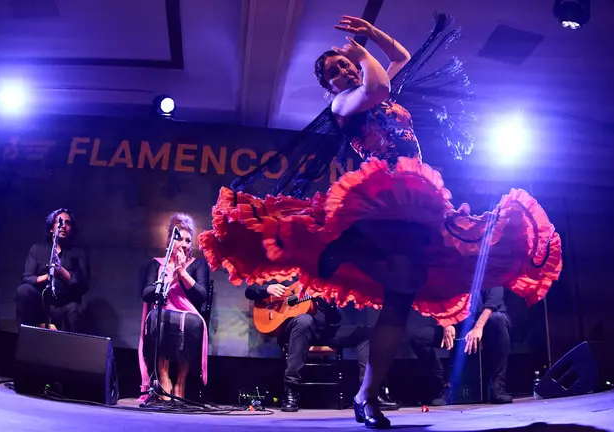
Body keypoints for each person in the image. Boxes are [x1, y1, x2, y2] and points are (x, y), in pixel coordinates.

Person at [200, 13, 562, 428]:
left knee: (401, 299)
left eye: (343, 64)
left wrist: (371, 35)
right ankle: (350, 246)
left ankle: (366, 397)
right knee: (400, 283)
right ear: (328, 87)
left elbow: (401, 58)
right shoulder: (344, 103)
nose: (343, 71)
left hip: (418, 196)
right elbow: (381, 84)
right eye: (334, 71)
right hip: (385, 194)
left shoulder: (374, 90)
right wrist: (360, 53)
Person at [245, 275, 399, 412]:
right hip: (296, 334)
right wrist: (268, 289)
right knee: (305, 320)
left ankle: (370, 392)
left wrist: (331, 303)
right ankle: (291, 390)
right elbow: (250, 291)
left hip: (324, 332)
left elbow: (335, 319)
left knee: (366, 333)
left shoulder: (323, 281)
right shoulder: (284, 274)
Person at [138, 213, 209, 401]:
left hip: (189, 313)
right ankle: (163, 378)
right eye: (180, 239)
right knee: (158, 318)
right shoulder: (156, 264)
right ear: (170, 240)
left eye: (188, 240)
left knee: (192, 323)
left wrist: (182, 273)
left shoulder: (198, 265)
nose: (185, 244)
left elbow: (201, 296)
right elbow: (146, 293)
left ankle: (180, 382)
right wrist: (168, 279)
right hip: (163, 310)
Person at [409, 286, 512, 406]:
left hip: (485, 324)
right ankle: (442, 387)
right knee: (418, 339)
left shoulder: (489, 270)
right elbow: (442, 301)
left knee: (498, 319)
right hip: (459, 324)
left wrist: (478, 327)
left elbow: (493, 301)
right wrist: (447, 323)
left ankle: (497, 385)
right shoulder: (453, 274)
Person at [15, 208, 90, 332]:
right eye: (59, 222)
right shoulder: (37, 249)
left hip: (63, 306)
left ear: (71, 229)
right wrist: (47, 277)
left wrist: (61, 272)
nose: (63, 226)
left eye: (68, 223)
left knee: (75, 309)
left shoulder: (79, 253)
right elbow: (26, 278)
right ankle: (25, 337)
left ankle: (69, 348)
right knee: (23, 291)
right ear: (51, 228)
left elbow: (83, 286)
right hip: (40, 305)